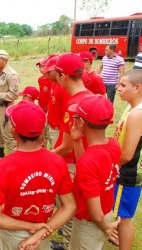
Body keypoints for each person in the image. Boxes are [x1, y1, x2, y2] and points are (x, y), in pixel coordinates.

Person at [0, 100, 76, 250]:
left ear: (13, 130)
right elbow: (70, 206)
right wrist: (41, 231)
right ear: (41, 131)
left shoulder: (3, 167)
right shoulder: (57, 161)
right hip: (43, 233)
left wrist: (32, 228)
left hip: (13, 234)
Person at [68, 95, 121, 249]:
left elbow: (95, 212)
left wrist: (106, 227)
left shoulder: (89, 160)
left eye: (76, 117)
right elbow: (89, 171)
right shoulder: (114, 145)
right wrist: (77, 141)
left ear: (81, 122)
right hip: (105, 213)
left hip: (91, 221)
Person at [52, 53, 92, 250]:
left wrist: (47, 157)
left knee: (68, 208)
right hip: (85, 160)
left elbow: (67, 146)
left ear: (62, 76)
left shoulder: (73, 104)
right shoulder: (91, 98)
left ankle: (68, 244)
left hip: (72, 163)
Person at [113, 69, 142, 249]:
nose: (118, 88)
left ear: (137, 87)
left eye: (123, 85)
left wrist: (111, 165)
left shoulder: (138, 114)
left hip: (127, 173)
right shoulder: (134, 107)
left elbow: (127, 154)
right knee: (122, 215)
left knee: (123, 217)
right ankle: (118, 238)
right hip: (129, 172)